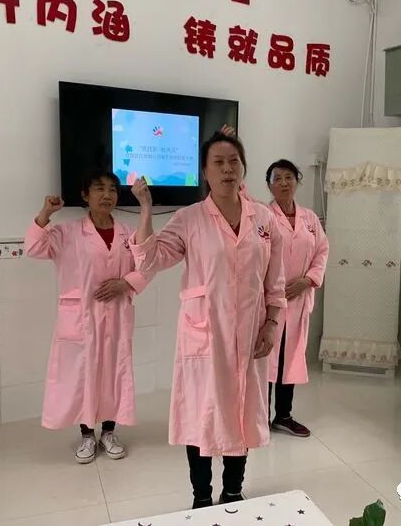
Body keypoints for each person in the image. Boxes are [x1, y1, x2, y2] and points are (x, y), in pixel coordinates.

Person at [129, 131, 286, 509]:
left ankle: (233, 490)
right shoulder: (190, 218)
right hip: (205, 336)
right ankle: (201, 497)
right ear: (204, 171)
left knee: (241, 413)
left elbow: (275, 280)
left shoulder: (264, 219)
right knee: (200, 417)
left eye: (234, 161)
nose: (227, 169)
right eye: (218, 162)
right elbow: (150, 259)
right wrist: (146, 209)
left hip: (250, 334)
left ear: (243, 167)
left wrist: (271, 324)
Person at [24, 169, 152, 465]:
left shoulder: (127, 234)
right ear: (85, 195)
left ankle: (109, 432)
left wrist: (125, 283)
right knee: (83, 375)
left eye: (112, 190)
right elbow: (33, 247)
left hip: (116, 315)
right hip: (81, 318)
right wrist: (45, 214)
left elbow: (147, 264)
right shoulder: (67, 232)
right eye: (99, 189)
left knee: (113, 373)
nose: (107, 195)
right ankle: (86, 435)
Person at [265, 160, 329, 437]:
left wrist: (308, 280)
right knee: (266, 358)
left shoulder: (310, 219)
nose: (283, 183)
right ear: (269, 185)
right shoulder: (263, 216)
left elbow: (322, 250)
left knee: (288, 358)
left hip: (299, 299)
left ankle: (283, 416)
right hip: (270, 300)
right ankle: (258, 418)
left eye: (288, 177)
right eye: (277, 178)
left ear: (297, 181)